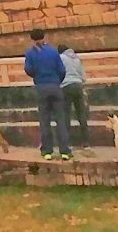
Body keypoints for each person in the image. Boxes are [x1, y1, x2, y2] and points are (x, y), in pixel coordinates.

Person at [24, 29, 72, 161]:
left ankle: (47, 151)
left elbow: (29, 70)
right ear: (44, 37)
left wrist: (38, 76)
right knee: (60, 120)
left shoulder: (30, 53)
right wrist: (57, 81)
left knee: (45, 120)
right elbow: (62, 70)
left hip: (41, 87)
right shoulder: (53, 51)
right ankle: (65, 151)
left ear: (32, 39)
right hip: (55, 86)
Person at [57, 44, 91, 150]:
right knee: (81, 114)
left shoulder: (60, 58)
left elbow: (58, 73)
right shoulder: (77, 59)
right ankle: (86, 143)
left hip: (66, 87)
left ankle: (67, 143)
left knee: (66, 115)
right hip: (78, 86)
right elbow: (83, 77)